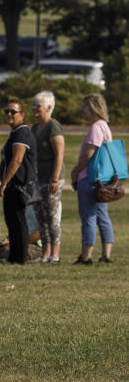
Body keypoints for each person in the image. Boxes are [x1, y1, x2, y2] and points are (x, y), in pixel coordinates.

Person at [70, 93, 115, 265]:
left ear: (93, 108)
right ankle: (106, 254)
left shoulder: (96, 127)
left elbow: (89, 153)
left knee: (88, 216)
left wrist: (76, 170)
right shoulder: (105, 126)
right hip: (102, 178)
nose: (83, 111)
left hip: (89, 178)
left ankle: (86, 256)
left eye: (85, 107)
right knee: (103, 215)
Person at [0, 99, 38, 264]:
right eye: (7, 111)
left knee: (18, 221)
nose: (9, 114)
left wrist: (4, 182)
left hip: (18, 184)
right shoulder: (15, 132)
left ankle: (20, 258)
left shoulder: (22, 132)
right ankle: (14, 257)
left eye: (13, 111)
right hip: (13, 185)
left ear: (22, 114)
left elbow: (17, 159)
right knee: (12, 221)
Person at [31, 91, 65, 263]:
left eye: (38, 105)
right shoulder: (35, 127)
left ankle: (55, 255)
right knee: (41, 217)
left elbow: (59, 154)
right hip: (37, 179)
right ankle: (45, 253)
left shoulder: (53, 126)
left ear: (49, 107)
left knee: (52, 217)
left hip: (52, 178)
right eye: (33, 105)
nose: (34, 108)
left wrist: (55, 179)